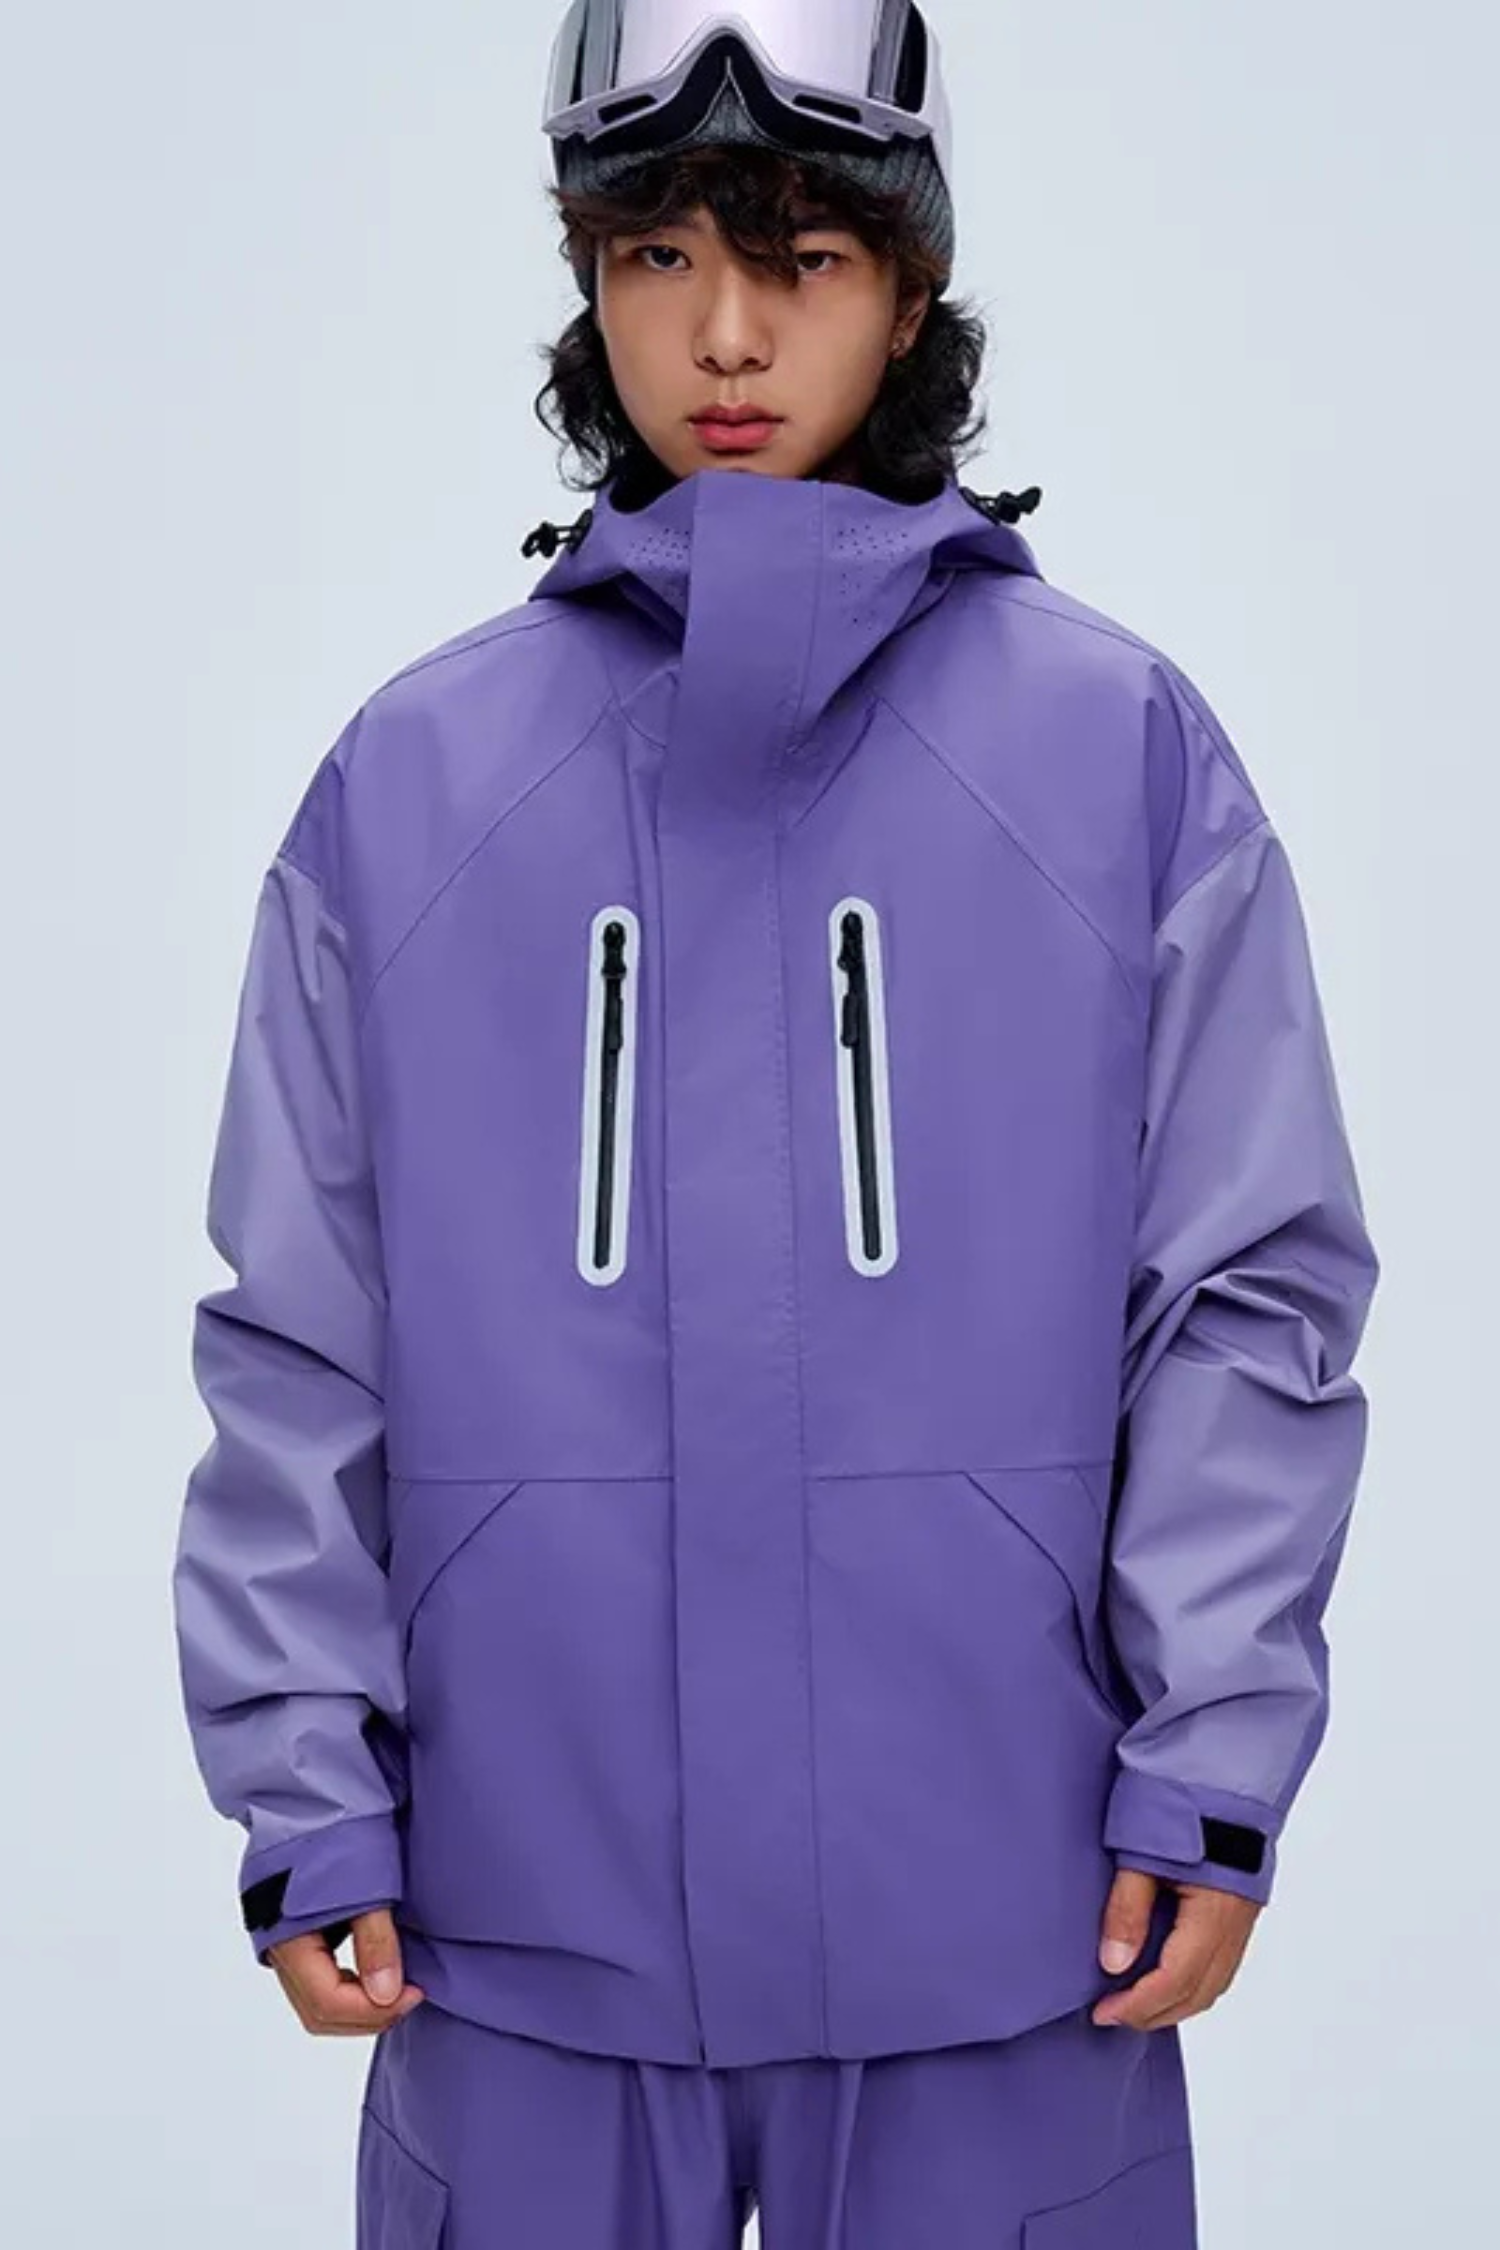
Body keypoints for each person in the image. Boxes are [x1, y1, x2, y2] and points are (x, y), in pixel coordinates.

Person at [171, 5, 1380, 2244]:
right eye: (656, 256)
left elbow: (1246, 1294)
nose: (723, 333)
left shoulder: (1116, 755)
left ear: (910, 292)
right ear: (587, 279)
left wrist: (1210, 1759)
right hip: (519, 1949)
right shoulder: (415, 785)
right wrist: (304, 1781)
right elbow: (300, 1335)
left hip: (1007, 1944)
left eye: (801, 255)